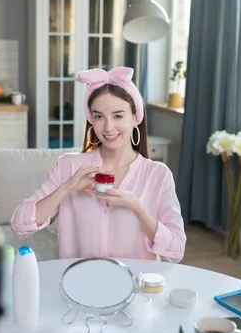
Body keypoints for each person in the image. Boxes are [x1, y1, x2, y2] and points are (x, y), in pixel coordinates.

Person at [11, 66, 186, 262]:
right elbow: (19, 225)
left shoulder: (157, 175)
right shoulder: (68, 166)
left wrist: (136, 207)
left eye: (118, 116)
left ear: (136, 118)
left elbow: (176, 251)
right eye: (99, 116)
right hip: (76, 285)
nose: (108, 127)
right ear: (91, 119)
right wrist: (66, 188)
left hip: (134, 286)